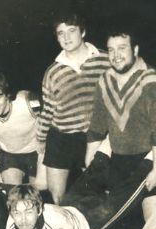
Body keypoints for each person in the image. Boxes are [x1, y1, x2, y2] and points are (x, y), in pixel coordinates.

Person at [62, 29, 156, 229]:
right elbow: (97, 125)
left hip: (148, 159)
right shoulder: (106, 80)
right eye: (111, 50)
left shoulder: (153, 81)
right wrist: (90, 160)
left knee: (113, 215)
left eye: (122, 48)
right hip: (117, 157)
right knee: (75, 199)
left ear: (135, 49)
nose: (116, 55)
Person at [38, 13, 110, 204]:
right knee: (58, 198)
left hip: (95, 137)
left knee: (95, 195)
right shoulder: (53, 72)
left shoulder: (106, 60)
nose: (66, 37)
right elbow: (47, 112)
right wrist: (40, 140)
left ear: (83, 31)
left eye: (71, 31)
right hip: (61, 137)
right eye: (61, 33)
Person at [0, 71, 45, 187]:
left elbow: (52, 120)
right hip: (10, 154)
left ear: (7, 95)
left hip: (37, 151)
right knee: (12, 193)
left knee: (39, 191)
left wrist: (44, 149)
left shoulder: (29, 102)